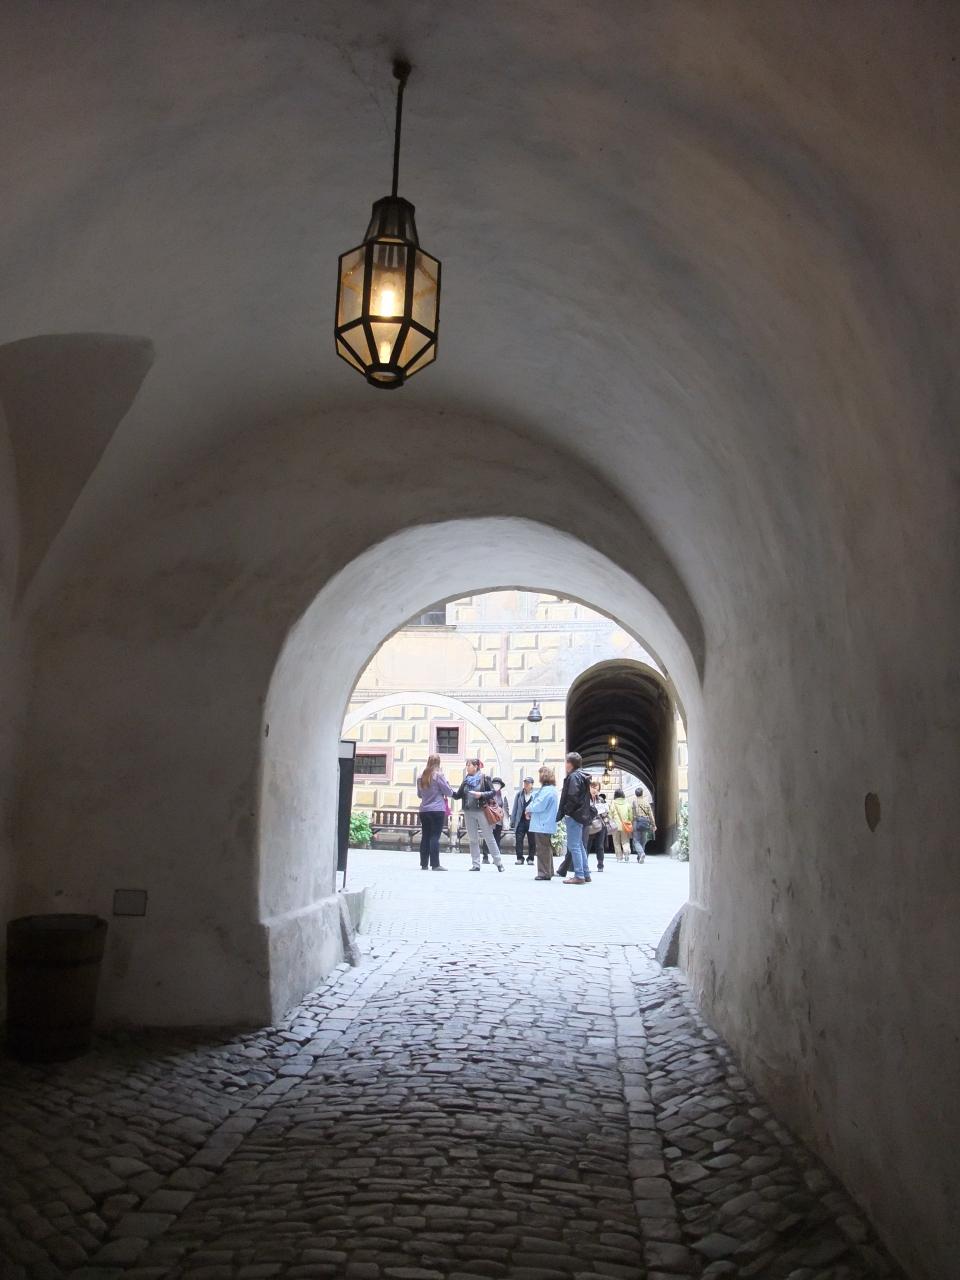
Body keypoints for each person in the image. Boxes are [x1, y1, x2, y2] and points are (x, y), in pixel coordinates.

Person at [450, 759, 505, 871]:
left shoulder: (484, 778)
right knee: (473, 839)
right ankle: (476, 864)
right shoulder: (466, 780)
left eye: (469, 765)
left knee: (489, 837)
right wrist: (448, 790)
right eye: (466, 765)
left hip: (482, 811)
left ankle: (498, 863)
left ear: (476, 767)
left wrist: (481, 794)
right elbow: (458, 795)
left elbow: (492, 792)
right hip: (468, 812)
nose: (467, 767)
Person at [556, 751, 593, 884]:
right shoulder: (581, 776)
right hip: (580, 814)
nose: (565, 765)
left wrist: (567, 811)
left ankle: (579, 875)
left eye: (566, 762)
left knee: (574, 845)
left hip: (574, 815)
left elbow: (572, 796)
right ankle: (585, 873)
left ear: (570, 764)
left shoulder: (573, 777)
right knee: (579, 845)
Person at [416, 754, 453, 870]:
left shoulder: (420, 776)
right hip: (437, 809)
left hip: (424, 810)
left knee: (425, 836)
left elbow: (419, 795)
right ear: (438, 762)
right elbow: (448, 792)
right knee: (434, 837)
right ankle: (435, 864)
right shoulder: (438, 775)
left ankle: (424, 864)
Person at [526, 765, 559, 879]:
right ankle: (549, 871)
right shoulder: (551, 790)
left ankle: (544, 873)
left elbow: (539, 804)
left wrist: (528, 809)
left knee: (542, 849)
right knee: (546, 847)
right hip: (546, 823)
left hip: (542, 823)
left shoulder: (546, 791)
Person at [511, 776, 537, 865]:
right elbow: (515, 808)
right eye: (525, 783)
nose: (526, 784)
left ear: (532, 784)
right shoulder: (519, 794)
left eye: (528, 783)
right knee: (519, 840)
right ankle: (519, 858)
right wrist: (513, 820)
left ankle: (531, 858)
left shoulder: (535, 795)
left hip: (531, 821)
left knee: (532, 840)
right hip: (520, 821)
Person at [586, 780, 607, 872]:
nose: (595, 791)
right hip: (589, 825)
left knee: (600, 846)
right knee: (587, 846)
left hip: (599, 825)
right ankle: (585, 865)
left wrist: (605, 810)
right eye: (593, 788)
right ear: (589, 788)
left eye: (597, 789)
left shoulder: (600, 800)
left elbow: (605, 814)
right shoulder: (585, 799)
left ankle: (600, 865)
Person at [609, 787, 633, 862]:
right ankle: (626, 852)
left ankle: (619, 857)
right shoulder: (627, 803)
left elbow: (610, 814)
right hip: (625, 825)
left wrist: (611, 821)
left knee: (616, 842)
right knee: (625, 841)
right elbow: (630, 815)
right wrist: (629, 821)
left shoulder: (613, 803)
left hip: (615, 826)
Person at [632, 786, 656, 862]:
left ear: (636, 794)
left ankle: (641, 853)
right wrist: (653, 825)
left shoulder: (634, 802)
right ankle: (640, 856)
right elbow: (651, 814)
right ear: (642, 793)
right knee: (643, 840)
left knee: (636, 840)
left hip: (637, 822)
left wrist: (631, 823)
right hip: (645, 822)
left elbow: (632, 814)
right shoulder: (646, 802)